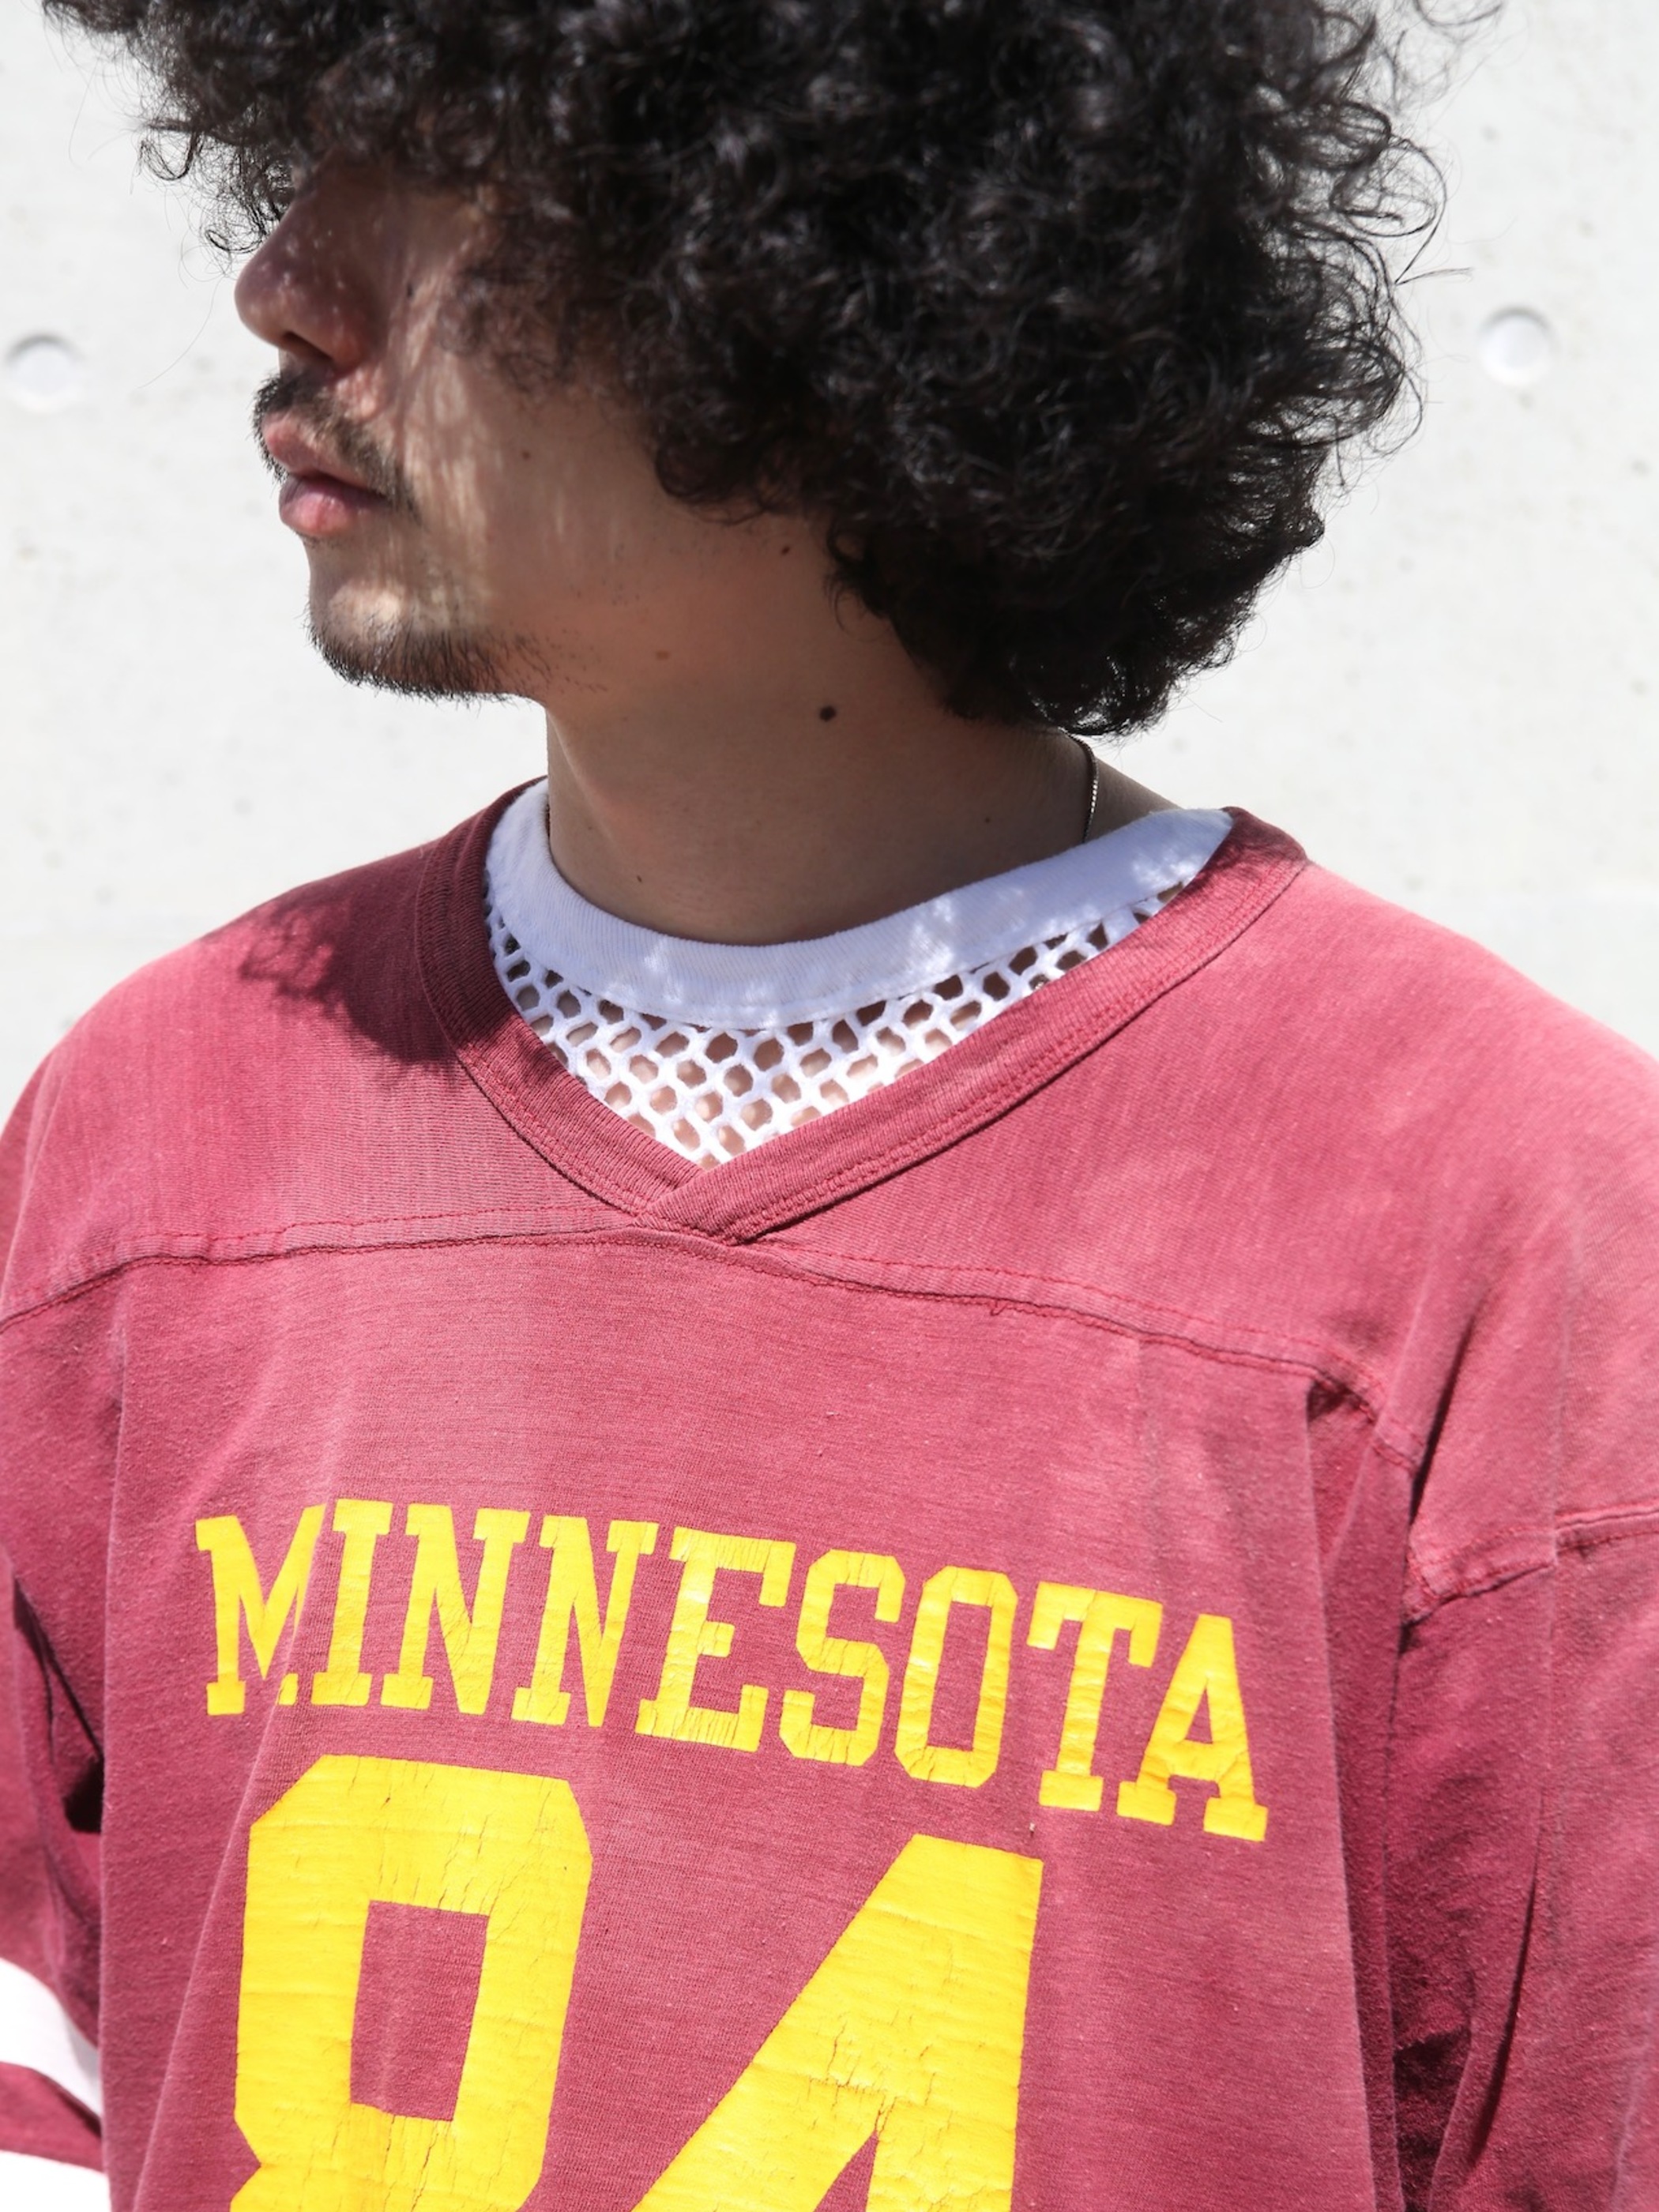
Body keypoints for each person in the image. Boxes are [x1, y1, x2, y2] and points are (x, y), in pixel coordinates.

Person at [2, 1, 1656, 2206]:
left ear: (845, 242)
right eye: (293, 147)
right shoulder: (155, 1140)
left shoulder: (1498, 1220)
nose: (281, 280)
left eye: (452, 170)